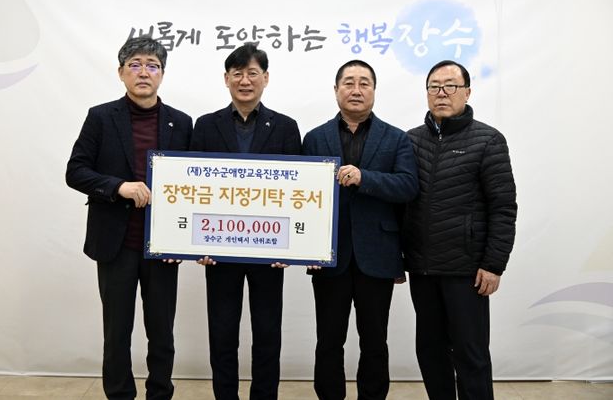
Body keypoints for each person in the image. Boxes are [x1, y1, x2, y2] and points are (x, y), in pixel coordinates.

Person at [66, 36, 192, 400]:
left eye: (152, 65)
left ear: (162, 74)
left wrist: (185, 242)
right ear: (121, 72)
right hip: (115, 243)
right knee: (117, 331)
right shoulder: (101, 117)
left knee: (162, 332)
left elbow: (194, 183)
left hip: (163, 245)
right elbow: (76, 171)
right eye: (135, 64)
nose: (143, 72)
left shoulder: (181, 123)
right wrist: (118, 186)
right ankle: (120, 394)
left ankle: (159, 393)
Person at [189, 43, 301, 400]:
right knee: (222, 333)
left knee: (268, 333)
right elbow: (194, 188)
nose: (245, 80)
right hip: (218, 250)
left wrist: (291, 246)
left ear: (265, 78)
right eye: (237, 73)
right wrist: (196, 242)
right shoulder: (206, 126)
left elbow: (296, 191)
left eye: (252, 73)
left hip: (270, 250)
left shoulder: (285, 127)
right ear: (226, 79)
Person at [302, 60, 419, 400]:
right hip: (329, 255)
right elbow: (301, 195)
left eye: (364, 83)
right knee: (328, 339)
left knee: (374, 341)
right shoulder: (315, 138)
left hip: (378, 255)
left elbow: (408, 186)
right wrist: (304, 248)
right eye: (349, 82)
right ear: (336, 90)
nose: (356, 90)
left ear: (374, 91)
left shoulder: (396, 138)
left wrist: (364, 178)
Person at [403, 60, 517, 400]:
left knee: (471, 354)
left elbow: (503, 207)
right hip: (423, 268)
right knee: (430, 352)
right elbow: (401, 205)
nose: (442, 93)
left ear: (467, 92)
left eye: (450, 85)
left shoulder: (488, 140)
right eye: (434, 86)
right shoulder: (410, 141)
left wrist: (494, 264)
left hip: (467, 271)